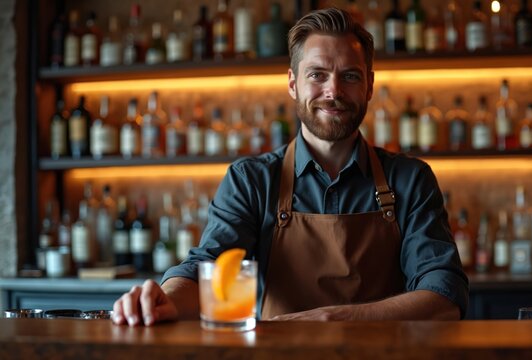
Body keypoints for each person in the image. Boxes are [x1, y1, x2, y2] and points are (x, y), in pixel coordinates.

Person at [112, 7, 468, 326]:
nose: (333, 91)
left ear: (370, 86)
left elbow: (445, 294)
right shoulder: (251, 180)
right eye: (317, 75)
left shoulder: (410, 180)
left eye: (350, 76)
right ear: (292, 84)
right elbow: (208, 268)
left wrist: (335, 318)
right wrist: (164, 300)